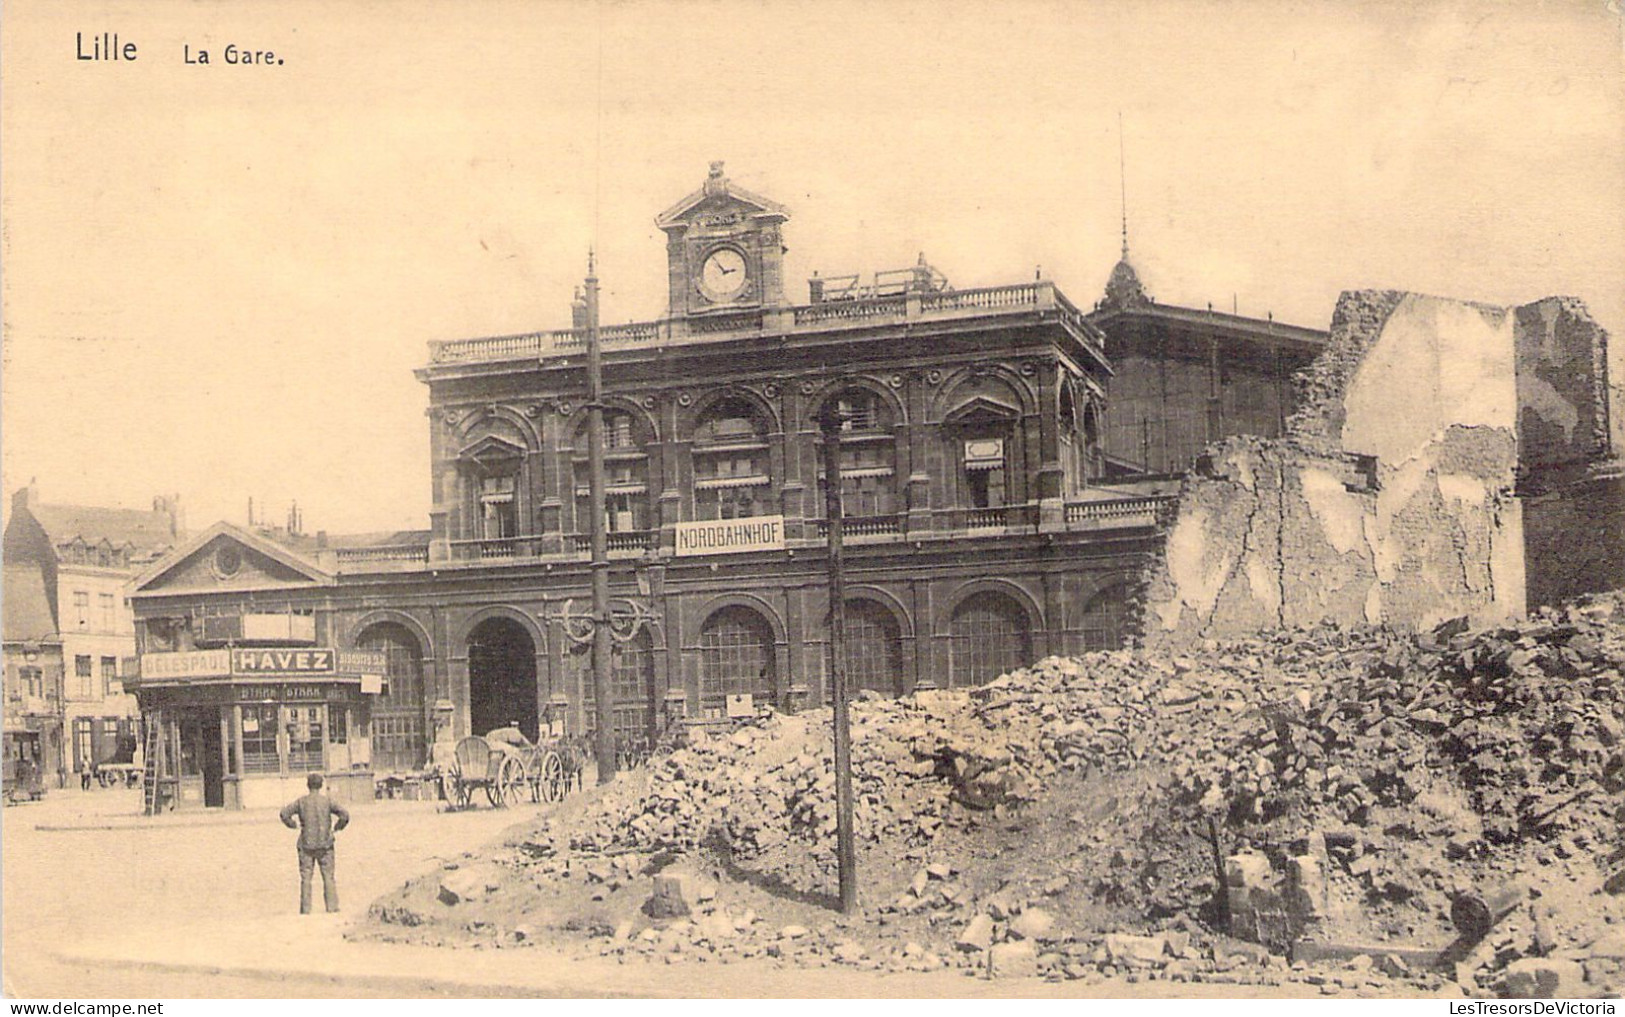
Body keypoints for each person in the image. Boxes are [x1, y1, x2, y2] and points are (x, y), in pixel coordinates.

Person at [279, 772, 350, 914]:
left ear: (308, 785)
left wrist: (293, 825)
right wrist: (337, 827)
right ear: (321, 785)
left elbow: (284, 814)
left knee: (306, 878)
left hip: (306, 844)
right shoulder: (327, 801)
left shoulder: (301, 802)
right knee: (328, 877)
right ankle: (332, 907)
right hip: (326, 844)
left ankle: (306, 910)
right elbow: (345, 815)